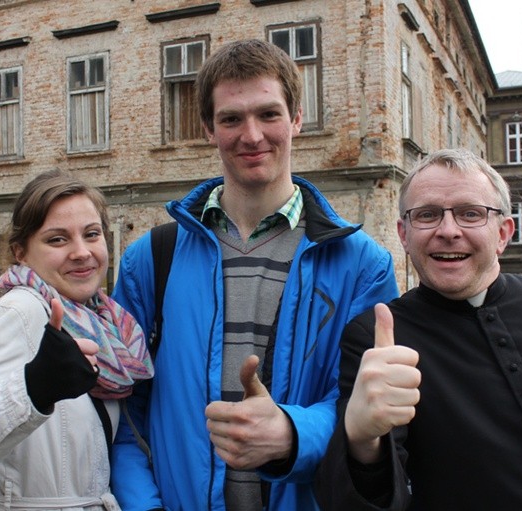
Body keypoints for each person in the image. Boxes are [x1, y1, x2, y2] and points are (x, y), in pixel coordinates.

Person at [110, 39, 399, 511]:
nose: (252, 135)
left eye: (268, 114)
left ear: (297, 119)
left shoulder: (362, 265)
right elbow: (125, 411)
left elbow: (363, 407)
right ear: (209, 128)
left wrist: (291, 433)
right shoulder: (149, 260)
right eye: (231, 118)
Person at [314, 148, 522, 511]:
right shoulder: (376, 338)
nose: (448, 231)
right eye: (427, 215)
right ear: (404, 235)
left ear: (503, 233)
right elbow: (372, 496)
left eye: (470, 214)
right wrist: (361, 440)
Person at [0, 169, 154, 510]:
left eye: (92, 234)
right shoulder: (18, 315)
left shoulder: (105, 324)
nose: (82, 252)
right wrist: (32, 389)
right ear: (20, 252)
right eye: (57, 239)